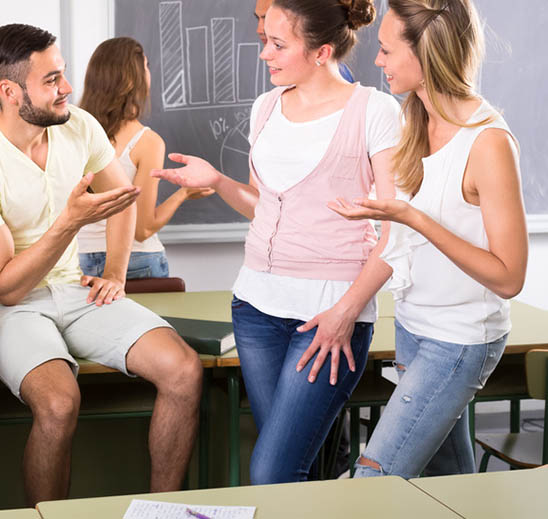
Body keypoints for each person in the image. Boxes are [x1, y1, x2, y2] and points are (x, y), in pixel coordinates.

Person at [0, 23, 203, 505]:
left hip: (74, 289)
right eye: (51, 80)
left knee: (184, 370)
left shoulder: (77, 124)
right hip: (5, 308)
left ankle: (161, 513)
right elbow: (5, 288)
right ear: (9, 91)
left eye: (62, 74)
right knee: (60, 403)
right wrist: (67, 225)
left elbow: (122, 198)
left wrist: (117, 274)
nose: (66, 88)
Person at [154, 0, 401, 484]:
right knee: (290, 471)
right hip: (256, 307)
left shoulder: (375, 110)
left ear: (321, 51)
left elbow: (398, 232)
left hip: (329, 311)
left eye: (278, 44)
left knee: (271, 471)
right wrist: (219, 181)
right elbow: (262, 205)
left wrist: (346, 314)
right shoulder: (265, 107)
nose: (264, 53)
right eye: (265, 40)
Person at [334, 0, 527, 479]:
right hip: (413, 327)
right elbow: (395, 241)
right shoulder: (412, 122)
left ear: (426, 54)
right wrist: (341, 309)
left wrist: (414, 219)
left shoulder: (487, 143)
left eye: (385, 50)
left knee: (373, 478)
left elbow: (509, 277)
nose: (376, 61)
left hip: (460, 339)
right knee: (449, 477)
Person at [76, 37, 213, 279]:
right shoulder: (146, 142)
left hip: (78, 261)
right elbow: (142, 229)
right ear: (131, 80)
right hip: (136, 261)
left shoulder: (71, 133)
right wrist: (184, 193)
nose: (149, 73)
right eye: (146, 66)